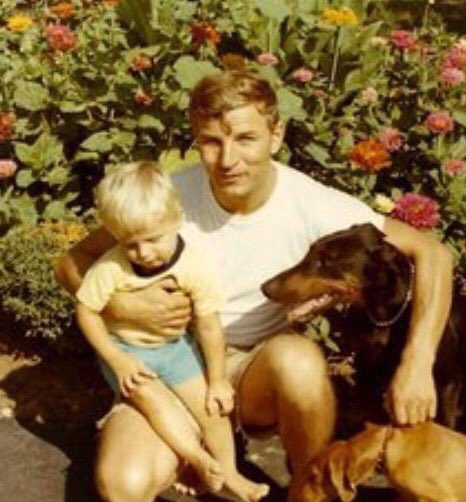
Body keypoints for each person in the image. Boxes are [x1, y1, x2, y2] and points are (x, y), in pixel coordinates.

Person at [55, 70, 453, 501]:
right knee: (123, 485)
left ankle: (307, 489)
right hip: (168, 368)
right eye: (211, 142)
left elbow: (433, 253)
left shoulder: (309, 203)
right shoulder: (170, 197)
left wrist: (417, 363)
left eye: (246, 139)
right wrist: (120, 307)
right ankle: (190, 448)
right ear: (196, 141)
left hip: (250, 373)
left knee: (298, 362)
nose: (228, 160)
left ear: (275, 135)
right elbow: (71, 261)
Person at [75, 161, 269, 501]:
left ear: (176, 219)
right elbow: (86, 310)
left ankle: (230, 474)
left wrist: (218, 379)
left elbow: (208, 324)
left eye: (153, 239)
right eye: (130, 244)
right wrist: (115, 359)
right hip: (128, 351)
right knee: (153, 398)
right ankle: (198, 459)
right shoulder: (111, 266)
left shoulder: (192, 265)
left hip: (175, 349)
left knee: (212, 409)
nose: (144, 253)